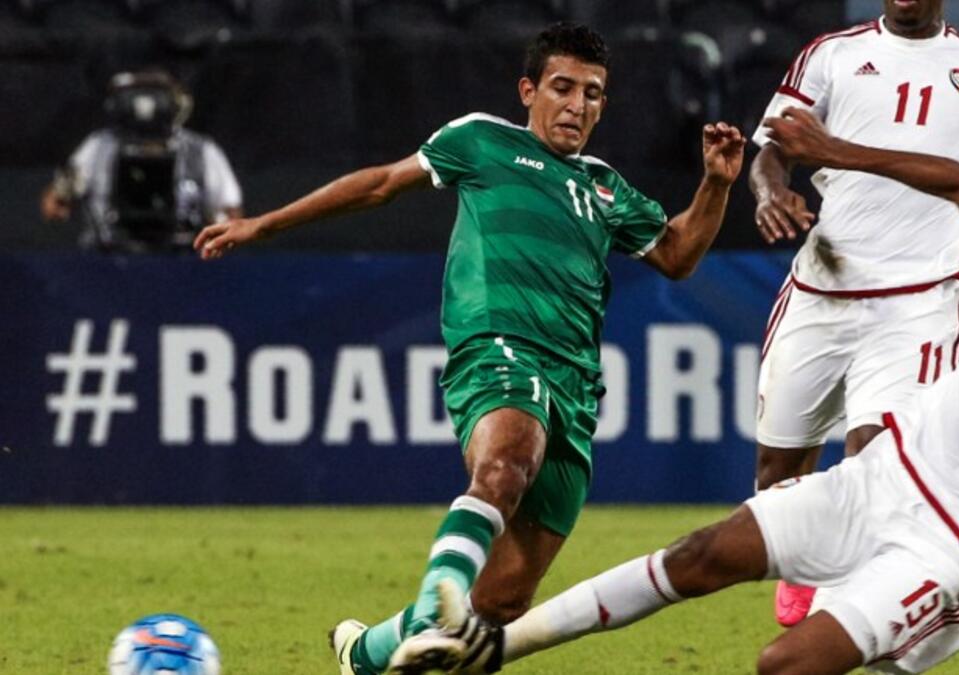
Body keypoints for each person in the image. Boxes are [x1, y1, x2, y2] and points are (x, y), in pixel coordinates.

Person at [429, 109, 959, 675]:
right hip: (880, 480)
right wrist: (833, 151)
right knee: (700, 555)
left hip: (948, 551)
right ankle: (493, 648)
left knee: (784, 664)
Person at [192, 22, 746, 675]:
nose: (577, 105)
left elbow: (678, 255)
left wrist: (716, 184)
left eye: (592, 93)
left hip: (574, 387)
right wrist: (263, 224)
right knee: (505, 465)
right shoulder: (482, 140)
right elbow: (379, 184)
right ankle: (438, 595)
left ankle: (364, 653)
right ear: (528, 91)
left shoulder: (605, 188)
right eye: (562, 88)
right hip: (497, 347)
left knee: (501, 601)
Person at [748, 0, 959, 625]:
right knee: (776, 469)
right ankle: (804, 563)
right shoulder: (832, 55)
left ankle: (842, 627)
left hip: (921, 300)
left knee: (878, 460)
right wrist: (770, 191)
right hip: (822, 290)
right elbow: (773, 148)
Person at [41, 69, 242, 253]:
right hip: (109, 257)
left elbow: (231, 213)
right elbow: (53, 203)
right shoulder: (98, 147)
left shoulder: (200, 150)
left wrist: (216, 229)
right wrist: (61, 197)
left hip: (182, 258)